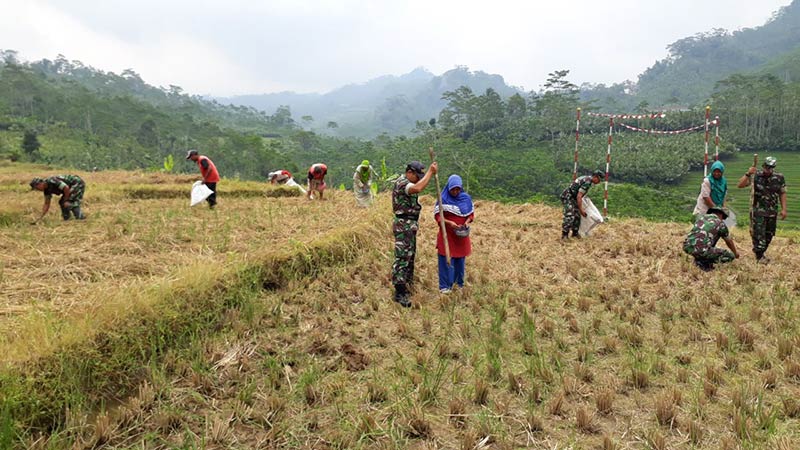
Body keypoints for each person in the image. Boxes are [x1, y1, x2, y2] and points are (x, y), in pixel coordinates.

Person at [392, 160, 438, 307]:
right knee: (402, 257)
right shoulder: (403, 183)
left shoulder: (409, 182)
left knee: (410, 255)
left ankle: (407, 284)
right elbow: (418, 188)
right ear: (409, 172)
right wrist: (430, 172)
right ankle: (399, 291)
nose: (418, 178)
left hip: (410, 224)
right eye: (416, 175)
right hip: (403, 225)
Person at [737, 156, 787, 262]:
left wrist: (784, 209)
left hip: (772, 212)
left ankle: (761, 253)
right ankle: (759, 256)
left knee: (769, 234)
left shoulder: (779, 178)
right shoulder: (756, 176)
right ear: (763, 166)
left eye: (770, 167)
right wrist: (748, 173)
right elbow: (740, 185)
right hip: (758, 212)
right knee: (758, 235)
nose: (767, 169)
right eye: (766, 167)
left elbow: (782, 193)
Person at [433, 174, 474, 293]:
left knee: (460, 261)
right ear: (449, 187)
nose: (455, 192)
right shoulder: (442, 199)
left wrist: (467, 221)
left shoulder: (465, 198)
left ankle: (458, 284)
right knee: (446, 260)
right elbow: (437, 216)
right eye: (453, 189)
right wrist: (449, 223)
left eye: (457, 189)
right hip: (447, 236)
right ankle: (445, 286)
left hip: (461, 236)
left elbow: (471, 214)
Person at [683, 207, 739, 271]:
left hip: (687, 247)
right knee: (730, 256)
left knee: (704, 244)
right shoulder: (721, 224)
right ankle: (704, 262)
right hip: (702, 250)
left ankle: (699, 258)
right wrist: (735, 253)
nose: (723, 219)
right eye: (723, 217)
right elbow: (729, 242)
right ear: (720, 214)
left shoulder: (701, 218)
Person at [560, 170, 603, 240]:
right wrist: (581, 210)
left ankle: (575, 234)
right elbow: (579, 196)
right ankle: (564, 235)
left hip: (573, 197)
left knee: (577, 216)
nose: (599, 182)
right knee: (570, 215)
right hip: (568, 197)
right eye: (599, 179)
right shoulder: (587, 182)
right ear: (595, 177)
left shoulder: (587, 178)